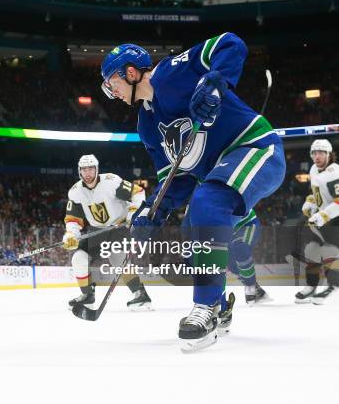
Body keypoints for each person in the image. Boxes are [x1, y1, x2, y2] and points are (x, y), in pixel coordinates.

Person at [101, 34, 286, 351]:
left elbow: (231, 43)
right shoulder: (146, 124)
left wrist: (216, 81)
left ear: (131, 72)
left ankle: (207, 306)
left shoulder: (172, 72)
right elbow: (177, 180)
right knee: (193, 227)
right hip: (221, 171)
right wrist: (151, 214)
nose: (112, 91)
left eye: (111, 81)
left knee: (206, 201)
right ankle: (221, 303)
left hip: (255, 148)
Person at [62, 154, 151, 311]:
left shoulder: (111, 182)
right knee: (78, 258)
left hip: (120, 226)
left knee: (118, 259)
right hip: (97, 230)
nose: (88, 173)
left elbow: (138, 193)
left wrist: (133, 214)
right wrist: (71, 235)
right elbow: (73, 219)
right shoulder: (75, 192)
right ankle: (87, 296)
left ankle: (140, 295)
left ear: (97, 169)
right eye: (84, 170)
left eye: (91, 169)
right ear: (79, 171)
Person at [296, 139, 339, 305]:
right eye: (314, 152)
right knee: (311, 249)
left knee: (329, 250)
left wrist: (323, 216)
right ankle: (311, 285)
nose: (317, 156)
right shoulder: (314, 169)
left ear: (329, 154)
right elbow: (317, 194)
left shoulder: (335, 172)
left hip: (334, 218)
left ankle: (334, 286)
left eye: (321, 152)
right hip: (324, 218)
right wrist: (310, 202)